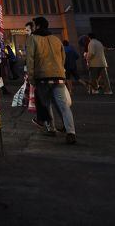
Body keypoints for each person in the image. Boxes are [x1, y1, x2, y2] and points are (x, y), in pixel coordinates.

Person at [26, 17, 76, 145]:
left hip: (42, 77)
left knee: (46, 104)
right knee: (64, 106)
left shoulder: (33, 38)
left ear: (37, 26)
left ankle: (51, 128)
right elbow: (63, 58)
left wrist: (31, 77)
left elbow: (30, 59)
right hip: (58, 76)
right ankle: (71, 132)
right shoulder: (56, 39)